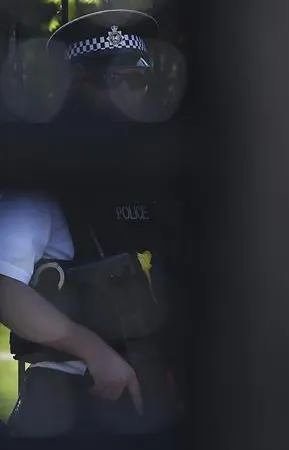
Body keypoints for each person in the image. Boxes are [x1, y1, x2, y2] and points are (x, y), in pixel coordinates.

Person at [2, 9, 187, 437]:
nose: (134, 96)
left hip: (149, 397)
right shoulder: (42, 175)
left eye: (139, 81)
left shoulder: (148, 175)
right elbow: (5, 286)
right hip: (68, 402)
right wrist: (90, 348)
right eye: (118, 81)